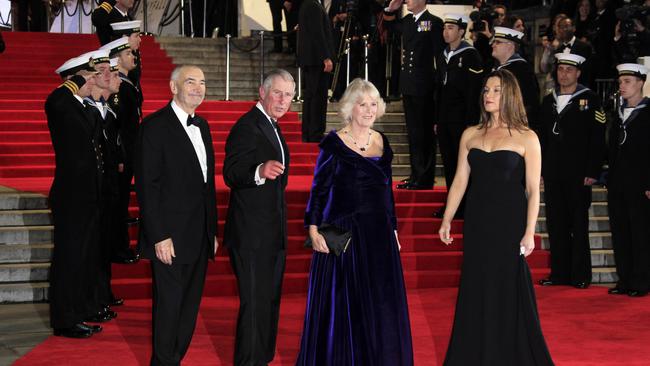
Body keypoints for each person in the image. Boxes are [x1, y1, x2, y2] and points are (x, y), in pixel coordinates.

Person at [439, 69, 554, 365]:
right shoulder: (470, 134)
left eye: (496, 91)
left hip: (509, 224)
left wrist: (530, 232)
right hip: (478, 223)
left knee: (507, 288)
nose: (488, 96)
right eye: (486, 90)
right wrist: (447, 218)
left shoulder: (527, 137)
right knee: (476, 286)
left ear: (510, 96)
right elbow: (460, 182)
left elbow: (532, 189)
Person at [296, 78, 413, 365]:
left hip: (378, 233)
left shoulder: (381, 142)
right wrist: (313, 228)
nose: (369, 110)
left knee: (380, 303)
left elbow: (386, 190)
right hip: (343, 232)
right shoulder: (334, 144)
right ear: (350, 108)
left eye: (374, 104)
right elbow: (319, 189)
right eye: (363, 104)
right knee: (344, 302)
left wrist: (394, 228)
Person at [135, 65, 218, 365]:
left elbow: (207, 185)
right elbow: (147, 186)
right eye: (190, 82)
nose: (198, 88)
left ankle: (174, 360)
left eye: (203, 83)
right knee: (169, 308)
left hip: (199, 236)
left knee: (188, 309)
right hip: (169, 238)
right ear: (173, 87)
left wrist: (213, 231)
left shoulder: (204, 126)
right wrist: (158, 235)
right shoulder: (155, 127)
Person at [223, 69, 294, 366]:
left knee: (268, 301)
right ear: (262, 92)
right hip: (251, 234)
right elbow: (231, 172)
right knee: (255, 304)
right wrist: (258, 171)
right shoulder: (247, 126)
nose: (283, 100)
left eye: (288, 95)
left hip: (271, 231)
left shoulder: (272, 125)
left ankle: (261, 358)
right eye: (277, 93)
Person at [47, 53, 104, 339]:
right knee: (69, 258)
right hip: (70, 196)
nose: (93, 80)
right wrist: (77, 80)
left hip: (86, 195)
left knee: (82, 257)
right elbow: (54, 101)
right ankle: (64, 319)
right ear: (72, 79)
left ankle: (79, 310)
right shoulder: (61, 104)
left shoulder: (84, 108)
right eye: (88, 77)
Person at [538, 53, 606, 289]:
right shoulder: (548, 101)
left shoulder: (590, 99)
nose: (563, 74)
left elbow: (597, 138)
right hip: (554, 173)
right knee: (555, 224)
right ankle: (559, 273)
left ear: (578, 73)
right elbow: (542, 139)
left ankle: (580, 275)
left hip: (579, 174)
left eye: (569, 70)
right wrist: (541, 170)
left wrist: (593, 170)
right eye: (560, 69)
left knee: (578, 224)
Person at [384, 0, 444, 190]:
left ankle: (424, 177)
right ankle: (415, 174)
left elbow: (439, 56)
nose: (407, 1)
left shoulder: (433, 22)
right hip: (408, 85)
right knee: (413, 133)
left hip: (424, 85)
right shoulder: (408, 21)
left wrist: (438, 85)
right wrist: (390, 10)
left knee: (424, 133)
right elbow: (391, 28)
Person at [433, 14, 484, 218]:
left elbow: (474, 93)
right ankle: (452, 203)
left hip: (462, 120)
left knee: (463, 164)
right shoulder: (442, 54)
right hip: (445, 119)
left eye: (451, 28)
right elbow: (438, 90)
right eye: (445, 28)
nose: (446, 32)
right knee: (448, 162)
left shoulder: (471, 55)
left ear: (461, 31)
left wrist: (471, 123)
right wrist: (437, 119)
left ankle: (466, 205)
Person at [607, 63, 650, 298]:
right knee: (621, 232)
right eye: (620, 82)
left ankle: (641, 281)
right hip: (618, 184)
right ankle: (624, 279)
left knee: (640, 234)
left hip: (641, 185)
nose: (622, 86)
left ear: (641, 83)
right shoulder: (618, 113)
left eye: (627, 82)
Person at [100, 36, 141, 264]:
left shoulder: (129, 82)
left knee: (123, 202)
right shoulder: (120, 88)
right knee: (119, 203)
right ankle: (119, 246)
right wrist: (122, 154)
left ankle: (121, 245)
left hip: (130, 149)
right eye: (128, 54)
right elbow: (117, 126)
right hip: (123, 152)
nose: (133, 57)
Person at [297, 0, 335, 142]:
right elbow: (317, 33)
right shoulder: (312, 5)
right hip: (316, 60)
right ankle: (315, 132)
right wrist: (326, 57)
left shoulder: (308, 4)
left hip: (312, 59)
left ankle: (310, 132)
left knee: (312, 96)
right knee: (317, 97)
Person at [491, 26, 540, 130]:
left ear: (510, 46)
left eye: (498, 42)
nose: (493, 45)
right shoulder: (496, 68)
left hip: (514, 126)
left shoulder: (522, 69)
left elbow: (529, 102)